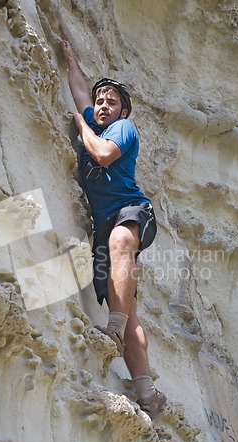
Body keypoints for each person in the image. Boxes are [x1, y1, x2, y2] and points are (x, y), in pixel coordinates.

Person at [61, 40, 166, 420]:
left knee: (122, 240)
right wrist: (71, 60)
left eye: (110, 102)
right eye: (99, 102)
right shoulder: (96, 121)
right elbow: (78, 88)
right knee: (131, 309)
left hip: (133, 210)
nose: (103, 106)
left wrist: (79, 123)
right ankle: (147, 393)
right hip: (105, 224)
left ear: (123, 110)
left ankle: (114, 329)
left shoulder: (122, 129)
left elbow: (102, 155)